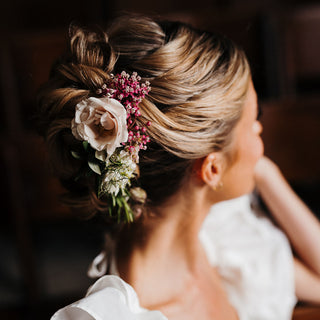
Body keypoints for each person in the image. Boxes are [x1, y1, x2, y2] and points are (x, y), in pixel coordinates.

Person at [36, 14, 320, 320]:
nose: (260, 132)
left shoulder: (215, 230)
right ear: (211, 170)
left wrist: (261, 169)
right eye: (254, 122)